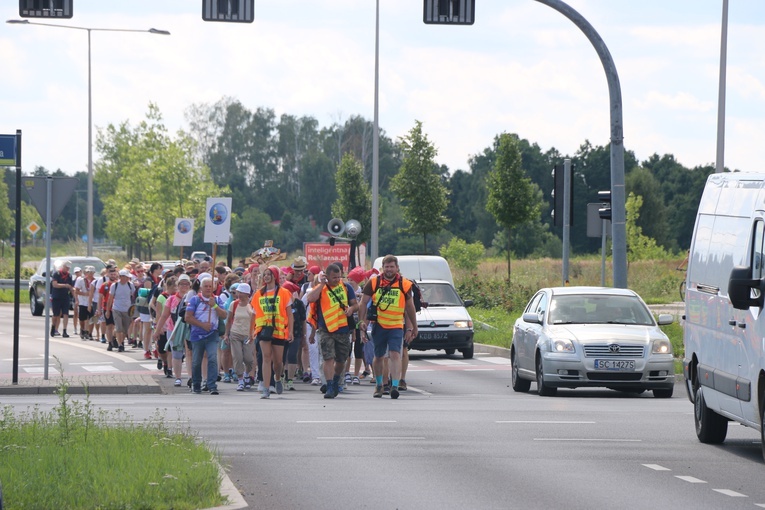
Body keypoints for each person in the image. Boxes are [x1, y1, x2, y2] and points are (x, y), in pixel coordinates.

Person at [358, 255, 418, 399]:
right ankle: (379, 385)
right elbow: (363, 303)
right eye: (387, 267)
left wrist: (413, 327)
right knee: (378, 357)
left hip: (396, 325)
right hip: (379, 325)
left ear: (397, 268)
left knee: (395, 355)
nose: (389, 269)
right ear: (382, 268)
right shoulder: (373, 283)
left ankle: (394, 386)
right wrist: (361, 322)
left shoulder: (404, 284)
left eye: (392, 267)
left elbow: (410, 307)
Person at [305, 264, 358, 399]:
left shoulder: (346, 287)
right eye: (334, 277)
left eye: (339, 276)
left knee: (341, 361)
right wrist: (322, 285)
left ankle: (335, 380)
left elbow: (355, 304)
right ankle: (329, 385)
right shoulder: (321, 288)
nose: (337, 279)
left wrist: (351, 310)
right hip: (326, 329)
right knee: (328, 358)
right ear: (327, 276)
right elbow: (310, 298)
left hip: (343, 329)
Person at [250, 266, 293, 399]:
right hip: (263, 330)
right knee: (266, 358)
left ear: (275, 276)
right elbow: (253, 314)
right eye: (265, 275)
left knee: (278, 362)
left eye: (269, 274)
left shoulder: (284, 293)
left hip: (279, 330)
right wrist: (251, 331)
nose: (266, 277)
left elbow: (290, 314)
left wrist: (290, 331)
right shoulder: (259, 294)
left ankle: (278, 378)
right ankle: (266, 388)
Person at [185, 276, 227, 395]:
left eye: (210, 286)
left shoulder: (217, 300)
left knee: (213, 358)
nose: (208, 288)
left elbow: (224, 315)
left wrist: (214, 306)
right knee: (196, 361)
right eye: (206, 286)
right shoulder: (194, 300)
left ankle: (212, 385)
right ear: (201, 287)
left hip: (212, 335)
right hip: (197, 335)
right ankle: (196, 384)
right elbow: (187, 317)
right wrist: (202, 325)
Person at [224, 283, 255, 391]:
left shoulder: (252, 304)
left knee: (249, 359)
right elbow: (229, 320)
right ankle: (241, 379)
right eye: (238, 292)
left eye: (241, 292)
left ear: (247, 294)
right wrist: (226, 334)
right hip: (235, 333)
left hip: (249, 334)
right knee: (237, 357)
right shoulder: (234, 304)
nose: (239, 294)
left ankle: (247, 374)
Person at [106, 269, 135, 352]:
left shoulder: (130, 285)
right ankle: (120, 344)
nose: (127, 279)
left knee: (125, 329)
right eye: (125, 277)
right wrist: (108, 311)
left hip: (127, 309)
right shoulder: (114, 286)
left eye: (128, 277)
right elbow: (110, 299)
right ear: (121, 277)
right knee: (119, 328)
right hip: (116, 309)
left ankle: (114, 337)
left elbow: (133, 296)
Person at [50, 260, 74, 338]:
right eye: (66, 267)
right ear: (63, 266)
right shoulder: (57, 274)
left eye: (68, 268)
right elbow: (55, 285)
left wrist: (75, 297)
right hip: (56, 296)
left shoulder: (69, 276)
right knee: (56, 314)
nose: (67, 269)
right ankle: (53, 327)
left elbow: (70, 287)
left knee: (65, 314)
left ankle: (64, 330)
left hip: (65, 297)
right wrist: (65, 285)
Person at [74, 266, 96, 340]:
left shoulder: (95, 281)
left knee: (92, 318)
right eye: (88, 272)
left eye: (92, 272)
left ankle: (90, 333)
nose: (90, 274)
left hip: (92, 301)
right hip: (83, 301)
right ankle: (82, 329)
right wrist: (84, 294)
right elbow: (76, 290)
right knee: (82, 318)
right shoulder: (81, 280)